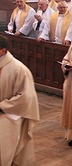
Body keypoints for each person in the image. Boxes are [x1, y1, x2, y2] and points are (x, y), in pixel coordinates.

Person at [0, 35, 40, 165]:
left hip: (9, 114)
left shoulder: (19, 69)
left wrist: (2, 106)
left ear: (3, 50)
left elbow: (26, 97)